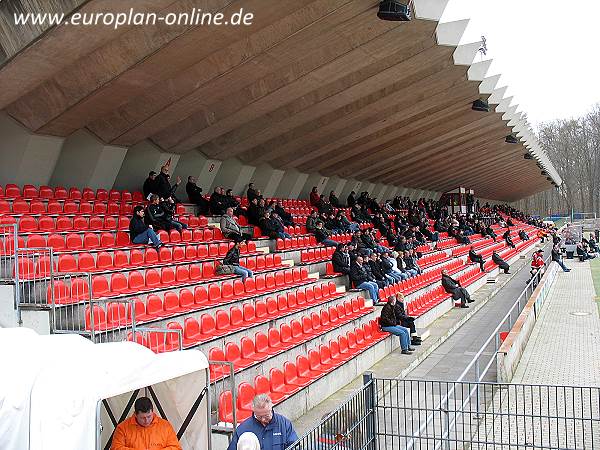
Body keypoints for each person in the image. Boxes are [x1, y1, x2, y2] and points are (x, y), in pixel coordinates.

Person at [227, 394, 298, 450]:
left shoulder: (284, 424)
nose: (263, 420)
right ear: (253, 410)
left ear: (271, 408)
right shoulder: (242, 429)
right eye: (259, 417)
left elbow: (295, 445)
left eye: (266, 416)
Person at [111, 397, 181, 450]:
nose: (146, 420)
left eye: (149, 416)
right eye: (142, 418)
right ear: (135, 414)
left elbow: (176, 447)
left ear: (153, 411)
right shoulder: (122, 428)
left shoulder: (165, 426)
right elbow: (115, 448)